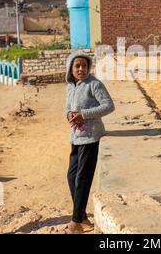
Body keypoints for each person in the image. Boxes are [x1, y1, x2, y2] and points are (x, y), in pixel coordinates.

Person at [64, 50, 115, 234]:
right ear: (70, 68)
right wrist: (70, 115)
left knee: (83, 178)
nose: (81, 69)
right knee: (71, 176)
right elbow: (67, 109)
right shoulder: (70, 86)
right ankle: (83, 217)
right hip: (76, 137)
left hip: (91, 137)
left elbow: (109, 106)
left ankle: (76, 221)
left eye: (84, 65)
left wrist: (84, 115)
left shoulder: (94, 84)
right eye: (77, 66)